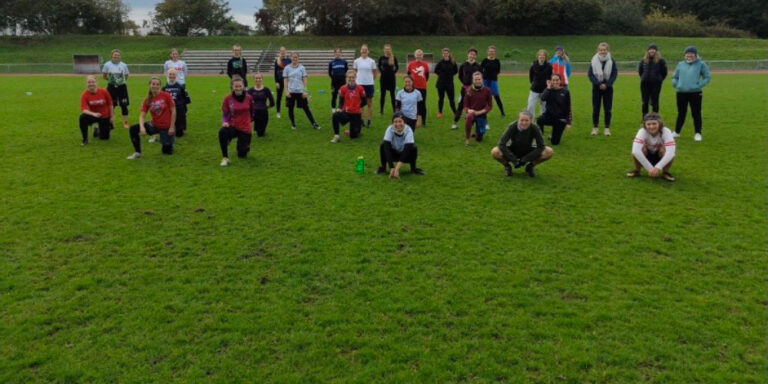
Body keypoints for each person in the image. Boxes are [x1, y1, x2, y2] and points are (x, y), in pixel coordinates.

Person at [491, 110, 554, 177]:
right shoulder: (512, 126)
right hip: (513, 150)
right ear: (518, 120)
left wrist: (525, 159)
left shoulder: (534, 127)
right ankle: (507, 166)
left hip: (528, 150)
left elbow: (541, 146)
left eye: (527, 120)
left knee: (549, 151)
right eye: (522, 120)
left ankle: (530, 167)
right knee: (495, 151)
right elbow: (501, 144)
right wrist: (514, 160)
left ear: (531, 120)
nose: (524, 123)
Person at [126, 77, 176, 159]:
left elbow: (173, 111)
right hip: (154, 125)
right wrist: (142, 127)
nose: (155, 86)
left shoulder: (166, 96)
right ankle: (137, 152)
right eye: (153, 84)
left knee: (167, 151)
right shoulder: (147, 100)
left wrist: (172, 127)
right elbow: (142, 115)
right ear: (150, 85)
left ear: (160, 86)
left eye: (157, 84)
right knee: (133, 129)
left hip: (166, 127)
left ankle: (169, 141)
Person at [672, 45, 711, 142]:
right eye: (687, 54)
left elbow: (707, 77)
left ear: (695, 55)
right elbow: (674, 77)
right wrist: (676, 84)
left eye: (691, 54)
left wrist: (698, 85)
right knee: (681, 113)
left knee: (696, 113)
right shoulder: (680, 64)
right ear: (685, 55)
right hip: (681, 93)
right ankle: (677, 132)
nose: (689, 56)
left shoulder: (701, 64)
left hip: (695, 93)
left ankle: (698, 133)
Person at [627, 113, 676, 181]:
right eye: (649, 124)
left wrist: (657, 168)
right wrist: (650, 169)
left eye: (654, 123)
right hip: (646, 155)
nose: (651, 127)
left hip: (660, 156)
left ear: (659, 123)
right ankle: (637, 170)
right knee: (641, 149)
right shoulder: (642, 131)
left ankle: (665, 172)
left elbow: (671, 153)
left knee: (664, 150)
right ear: (645, 125)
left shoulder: (666, 131)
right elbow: (635, 151)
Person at [375, 112, 425, 178]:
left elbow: (407, 149)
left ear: (404, 122)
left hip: (405, 154)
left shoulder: (409, 130)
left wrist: (397, 169)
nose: (398, 124)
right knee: (383, 145)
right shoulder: (390, 129)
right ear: (392, 123)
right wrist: (392, 167)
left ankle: (413, 169)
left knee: (413, 148)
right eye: (395, 122)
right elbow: (386, 147)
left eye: (400, 121)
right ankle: (383, 167)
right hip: (394, 153)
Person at [219, 77, 254, 166]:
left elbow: (252, 112)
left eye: (240, 86)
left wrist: (249, 123)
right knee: (222, 132)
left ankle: (242, 145)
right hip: (233, 125)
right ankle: (225, 157)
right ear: (232, 87)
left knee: (242, 154)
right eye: (236, 86)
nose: (238, 88)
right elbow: (225, 113)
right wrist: (224, 122)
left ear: (243, 86)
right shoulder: (228, 99)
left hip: (245, 128)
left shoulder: (249, 98)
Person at [283, 52, 320, 130]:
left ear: (298, 58)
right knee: (290, 108)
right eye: (293, 57)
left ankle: (314, 123)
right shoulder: (287, 68)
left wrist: (305, 91)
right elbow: (285, 80)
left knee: (306, 108)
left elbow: (305, 80)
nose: (294, 58)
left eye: (296, 57)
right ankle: (293, 124)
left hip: (300, 91)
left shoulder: (302, 68)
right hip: (291, 91)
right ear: (291, 58)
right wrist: (286, 91)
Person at [588, 42, 618, 136]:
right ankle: (595, 128)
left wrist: (607, 84)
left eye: (604, 50)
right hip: (596, 88)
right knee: (596, 108)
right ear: (598, 50)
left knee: (607, 109)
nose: (603, 51)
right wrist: (598, 84)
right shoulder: (593, 60)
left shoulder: (611, 60)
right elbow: (590, 74)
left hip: (608, 88)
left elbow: (614, 74)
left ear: (607, 50)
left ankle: (607, 128)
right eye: (601, 50)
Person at [331, 70, 366, 143]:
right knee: (335, 116)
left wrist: (357, 107)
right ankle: (336, 136)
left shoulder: (360, 88)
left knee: (354, 136)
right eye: (349, 77)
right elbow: (341, 101)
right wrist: (339, 108)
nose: (351, 79)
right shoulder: (343, 88)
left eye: (353, 77)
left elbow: (364, 101)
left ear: (356, 77)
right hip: (346, 112)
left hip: (356, 114)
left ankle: (357, 126)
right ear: (346, 78)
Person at [537, 73, 572, 145]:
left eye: (557, 80)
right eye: (553, 80)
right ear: (550, 81)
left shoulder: (565, 92)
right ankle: (540, 135)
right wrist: (548, 88)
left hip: (560, 119)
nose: (555, 82)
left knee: (555, 143)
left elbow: (568, 107)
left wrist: (568, 122)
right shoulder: (548, 90)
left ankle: (553, 136)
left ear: (560, 81)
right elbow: (543, 98)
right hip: (549, 116)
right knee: (539, 119)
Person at [452, 48, 483, 129]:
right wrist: (465, 83)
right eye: (470, 54)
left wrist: (475, 85)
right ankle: (454, 123)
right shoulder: (463, 65)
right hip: (465, 89)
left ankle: (478, 124)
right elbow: (460, 76)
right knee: (461, 105)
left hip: (475, 89)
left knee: (476, 106)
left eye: (473, 54)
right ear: (468, 54)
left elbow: (481, 76)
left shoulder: (478, 66)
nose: (472, 55)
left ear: (475, 56)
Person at [78, 75, 113, 145]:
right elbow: (84, 109)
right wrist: (93, 114)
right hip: (93, 115)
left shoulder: (103, 92)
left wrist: (111, 117)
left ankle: (97, 130)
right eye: (89, 82)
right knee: (82, 117)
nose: (91, 84)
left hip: (104, 116)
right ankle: (85, 139)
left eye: (93, 82)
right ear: (86, 84)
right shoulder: (84, 95)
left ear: (96, 83)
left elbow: (110, 104)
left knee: (105, 138)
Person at [101, 49, 130, 129]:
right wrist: (112, 81)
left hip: (122, 88)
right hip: (111, 87)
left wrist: (120, 82)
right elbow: (104, 76)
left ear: (120, 56)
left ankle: (125, 122)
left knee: (124, 105)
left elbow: (126, 76)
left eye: (118, 55)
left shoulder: (124, 65)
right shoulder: (107, 65)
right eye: (115, 55)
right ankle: (111, 122)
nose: (116, 56)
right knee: (111, 105)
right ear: (112, 56)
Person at [462, 71, 492, 145]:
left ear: (482, 80)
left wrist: (481, 112)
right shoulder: (468, 90)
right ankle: (467, 139)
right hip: (471, 114)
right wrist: (469, 110)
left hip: (481, 114)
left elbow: (490, 106)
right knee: (469, 117)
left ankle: (477, 134)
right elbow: (465, 106)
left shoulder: (487, 90)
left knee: (479, 139)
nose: (478, 81)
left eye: (479, 79)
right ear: (473, 80)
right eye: (476, 79)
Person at [639, 44, 668, 117]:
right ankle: (644, 117)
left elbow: (664, 72)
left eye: (653, 49)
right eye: (650, 49)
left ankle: (655, 117)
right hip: (645, 83)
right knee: (645, 101)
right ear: (648, 51)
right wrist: (643, 78)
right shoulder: (643, 60)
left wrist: (659, 79)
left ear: (656, 51)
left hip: (656, 84)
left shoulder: (661, 61)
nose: (652, 50)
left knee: (655, 101)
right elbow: (640, 71)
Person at [353, 44, 378, 128]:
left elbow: (375, 73)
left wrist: (371, 80)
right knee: (361, 103)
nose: (364, 51)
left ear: (368, 51)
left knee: (369, 103)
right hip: (359, 85)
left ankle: (369, 120)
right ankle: (361, 119)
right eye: (362, 49)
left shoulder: (372, 61)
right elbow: (355, 72)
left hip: (369, 85)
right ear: (360, 51)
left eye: (365, 49)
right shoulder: (356, 61)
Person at [162, 69, 191, 138]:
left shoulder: (181, 87)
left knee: (179, 133)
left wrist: (185, 110)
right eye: (170, 74)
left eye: (173, 74)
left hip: (179, 108)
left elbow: (185, 99)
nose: (172, 76)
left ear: (176, 76)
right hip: (168, 109)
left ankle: (179, 130)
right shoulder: (164, 88)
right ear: (167, 75)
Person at [407, 49, 430, 127]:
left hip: (422, 87)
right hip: (413, 87)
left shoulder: (425, 64)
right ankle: (413, 119)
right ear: (415, 55)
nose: (419, 56)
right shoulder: (411, 64)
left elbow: (427, 75)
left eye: (420, 54)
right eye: (417, 54)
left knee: (422, 104)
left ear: (422, 56)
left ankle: (423, 121)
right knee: (413, 104)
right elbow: (409, 75)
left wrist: (423, 82)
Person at [247, 73, 275, 137]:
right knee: (258, 132)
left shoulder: (266, 90)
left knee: (262, 131)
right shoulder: (250, 90)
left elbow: (272, 102)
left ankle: (262, 131)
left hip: (264, 112)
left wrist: (267, 106)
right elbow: (246, 101)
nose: (258, 80)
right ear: (254, 79)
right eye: (256, 78)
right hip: (254, 112)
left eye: (259, 78)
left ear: (262, 79)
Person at [481, 45, 505, 118]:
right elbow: (480, 69)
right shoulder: (485, 60)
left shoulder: (497, 61)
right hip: (485, 80)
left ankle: (502, 112)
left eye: (493, 51)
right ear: (487, 52)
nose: (491, 52)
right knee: (483, 97)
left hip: (493, 80)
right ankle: (482, 112)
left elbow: (498, 71)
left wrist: (493, 76)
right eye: (490, 51)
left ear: (495, 53)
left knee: (496, 96)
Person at [434, 48, 458, 118]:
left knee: (451, 99)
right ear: (442, 54)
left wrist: (450, 75)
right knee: (441, 98)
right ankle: (440, 112)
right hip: (441, 83)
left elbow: (456, 70)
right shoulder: (440, 62)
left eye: (447, 53)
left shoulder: (453, 62)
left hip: (450, 83)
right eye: (444, 53)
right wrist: (441, 75)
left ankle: (455, 112)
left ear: (449, 53)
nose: (445, 54)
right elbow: (436, 70)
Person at [527, 49, 552, 117]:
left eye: (543, 56)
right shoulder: (533, 65)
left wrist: (548, 87)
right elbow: (531, 77)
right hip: (534, 90)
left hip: (544, 90)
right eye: (540, 56)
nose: (542, 57)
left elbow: (549, 77)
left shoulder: (549, 66)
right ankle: (531, 122)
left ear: (545, 57)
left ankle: (541, 121)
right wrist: (534, 83)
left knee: (543, 108)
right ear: (538, 56)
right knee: (530, 106)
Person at [378, 44, 399, 115]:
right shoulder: (381, 58)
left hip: (391, 78)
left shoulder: (394, 57)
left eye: (388, 49)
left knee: (392, 95)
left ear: (390, 50)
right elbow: (379, 66)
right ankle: (381, 111)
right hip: (383, 78)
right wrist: (382, 72)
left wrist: (393, 72)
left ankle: (394, 110)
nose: (387, 50)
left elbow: (397, 66)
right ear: (384, 50)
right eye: (386, 49)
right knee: (382, 95)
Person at [328, 48, 349, 114]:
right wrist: (334, 78)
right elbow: (329, 72)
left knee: (342, 97)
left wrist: (342, 77)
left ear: (341, 53)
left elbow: (346, 71)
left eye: (339, 52)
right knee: (334, 96)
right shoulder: (331, 62)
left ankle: (342, 110)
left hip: (342, 83)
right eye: (336, 52)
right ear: (334, 53)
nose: (338, 53)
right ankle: (333, 111)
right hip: (334, 83)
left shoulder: (344, 62)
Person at [273, 46, 290, 118]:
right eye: (281, 51)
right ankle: (278, 112)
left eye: (284, 50)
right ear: (279, 52)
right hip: (280, 81)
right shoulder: (277, 60)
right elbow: (275, 72)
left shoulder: (289, 60)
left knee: (289, 96)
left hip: (288, 81)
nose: (283, 52)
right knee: (279, 97)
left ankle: (289, 110)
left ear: (286, 51)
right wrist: (276, 82)